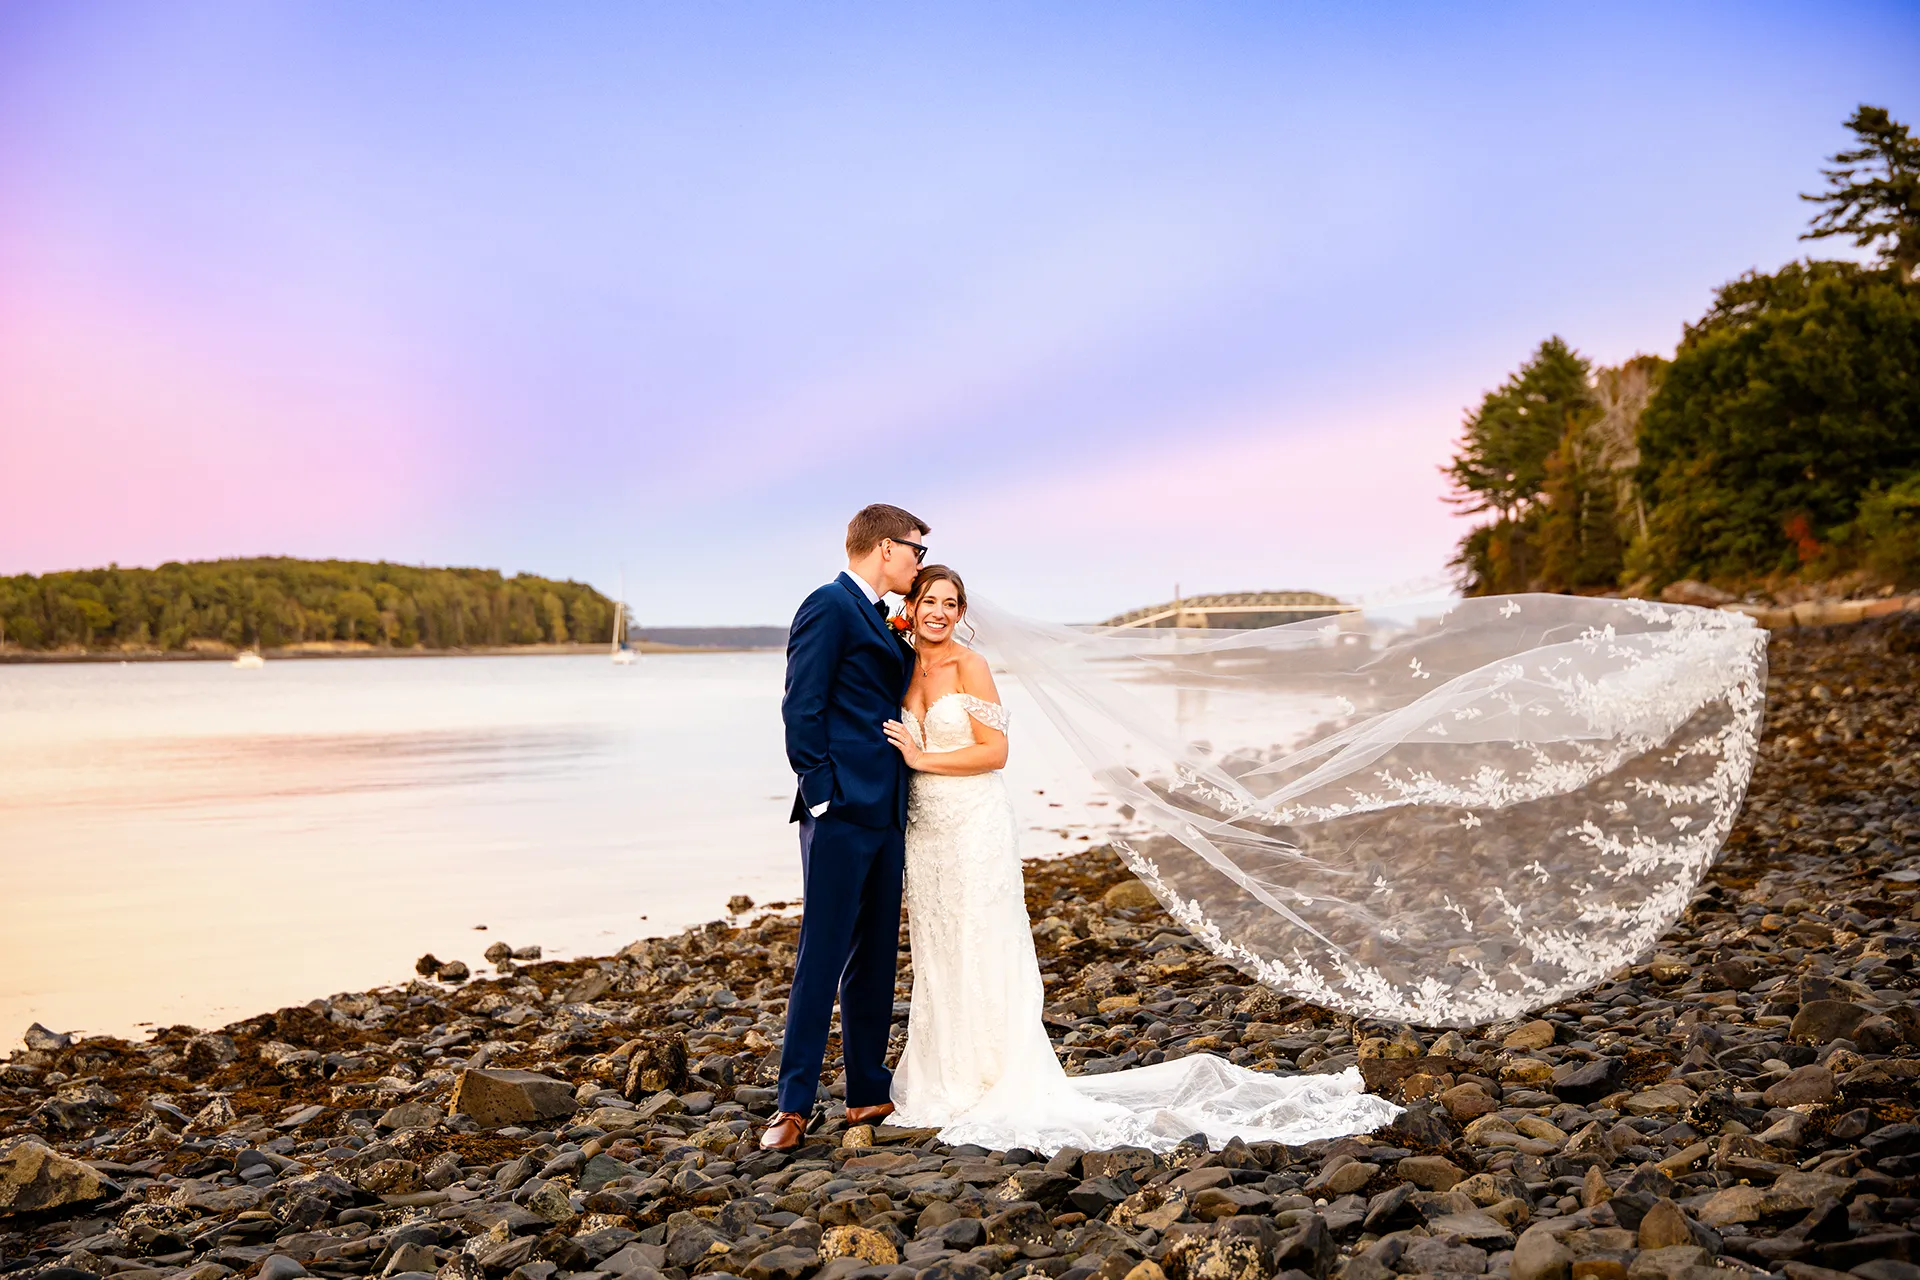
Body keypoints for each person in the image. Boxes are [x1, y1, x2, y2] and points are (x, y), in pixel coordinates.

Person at [878, 564, 1402, 1154]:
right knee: (938, 940)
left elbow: (995, 752)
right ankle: (944, 1073)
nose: (941, 613)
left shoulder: (969, 665)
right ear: (911, 606)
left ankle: (996, 1071)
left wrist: (922, 760)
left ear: (962, 612)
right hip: (926, 831)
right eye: (930, 601)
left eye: (952, 603)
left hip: (973, 822)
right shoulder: (899, 661)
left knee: (983, 937)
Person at [761, 503, 930, 1152]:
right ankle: (793, 1106)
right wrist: (823, 797)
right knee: (821, 956)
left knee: (876, 960)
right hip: (839, 815)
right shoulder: (828, 605)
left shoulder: (886, 617)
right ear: (885, 548)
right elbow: (802, 706)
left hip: (887, 813)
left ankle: (866, 1090)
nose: (918, 560)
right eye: (914, 548)